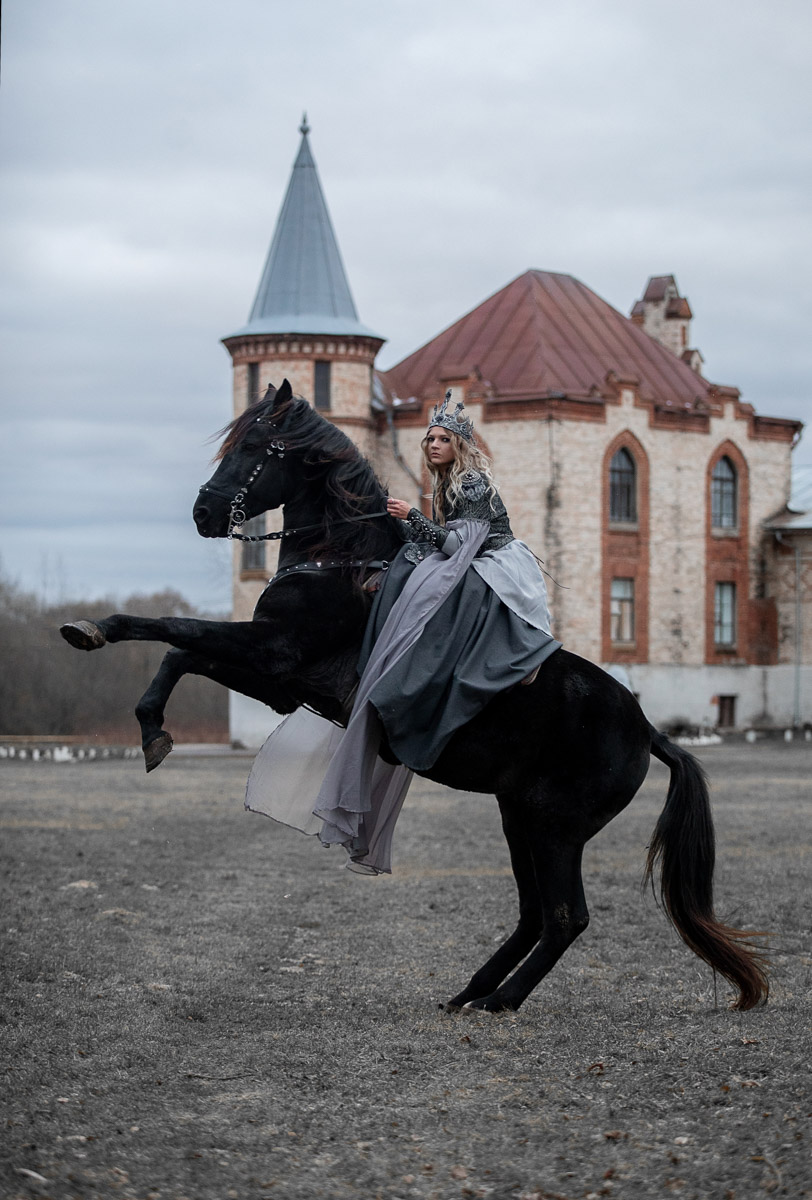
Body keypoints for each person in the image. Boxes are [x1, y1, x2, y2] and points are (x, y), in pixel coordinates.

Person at [246, 393, 561, 874]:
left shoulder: (473, 482)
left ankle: (485, 660)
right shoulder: (445, 482)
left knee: (427, 582)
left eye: (441, 439)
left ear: (459, 444)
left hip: (497, 567)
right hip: (467, 558)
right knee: (407, 569)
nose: (432, 445)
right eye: (429, 438)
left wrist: (410, 518)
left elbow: (461, 545)